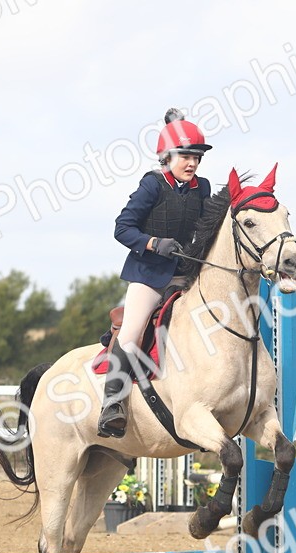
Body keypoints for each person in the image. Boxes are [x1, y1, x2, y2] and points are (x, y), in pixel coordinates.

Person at [98, 109, 213, 438]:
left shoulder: (201, 188)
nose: (192, 164)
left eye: (197, 158)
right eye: (186, 157)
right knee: (131, 333)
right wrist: (151, 242)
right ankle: (113, 406)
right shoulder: (152, 185)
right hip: (148, 275)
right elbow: (122, 228)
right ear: (167, 157)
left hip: (184, 276)